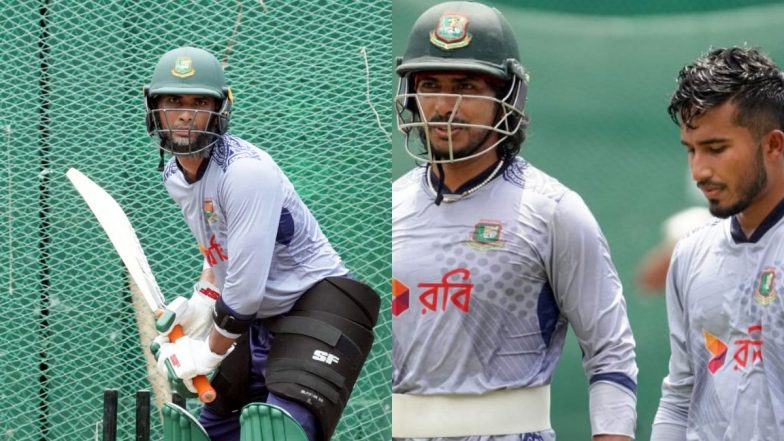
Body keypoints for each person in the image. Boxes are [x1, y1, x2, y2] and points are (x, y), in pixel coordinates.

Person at [391, 2, 638, 440]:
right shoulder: (393, 205)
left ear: (508, 97)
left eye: (466, 86)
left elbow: (610, 351)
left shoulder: (552, 210)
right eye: (430, 85)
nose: (445, 106)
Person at [143, 46, 380, 441]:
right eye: (173, 101)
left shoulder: (245, 174)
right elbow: (219, 245)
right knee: (207, 432)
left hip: (314, 301)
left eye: (199, 101)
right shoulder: (174, 175)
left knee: (275, 433)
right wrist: (204, 296)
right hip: (254, 320)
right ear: (153, 108)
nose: (185, 114)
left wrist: (209, 351)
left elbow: (245, 295)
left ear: (220, 109)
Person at [651, 47, 784, 440]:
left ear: (774, 145)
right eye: (691, 151)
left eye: (716, 148)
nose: (699, 170)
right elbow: (679, 395)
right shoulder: (691, 254)